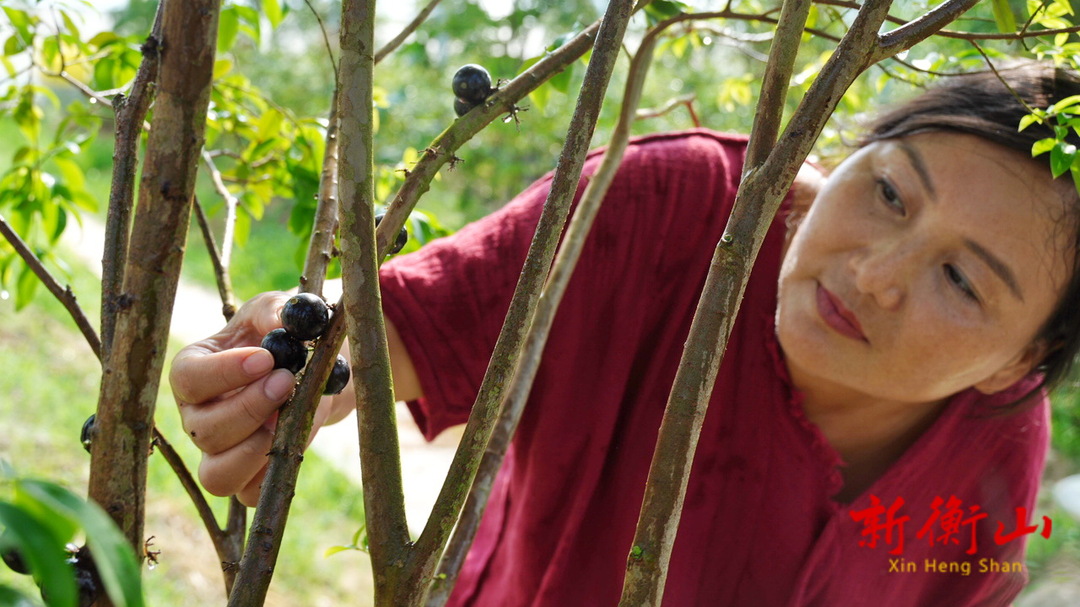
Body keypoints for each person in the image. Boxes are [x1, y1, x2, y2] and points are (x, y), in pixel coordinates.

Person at [170, 62, 1080, 606]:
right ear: (841, 155)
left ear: (1022, 359)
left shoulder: (998, 446)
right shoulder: (662, 209)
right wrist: (289, 374)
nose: (875, 275)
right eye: (888, 191)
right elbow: (393, 331)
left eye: (961, 280)